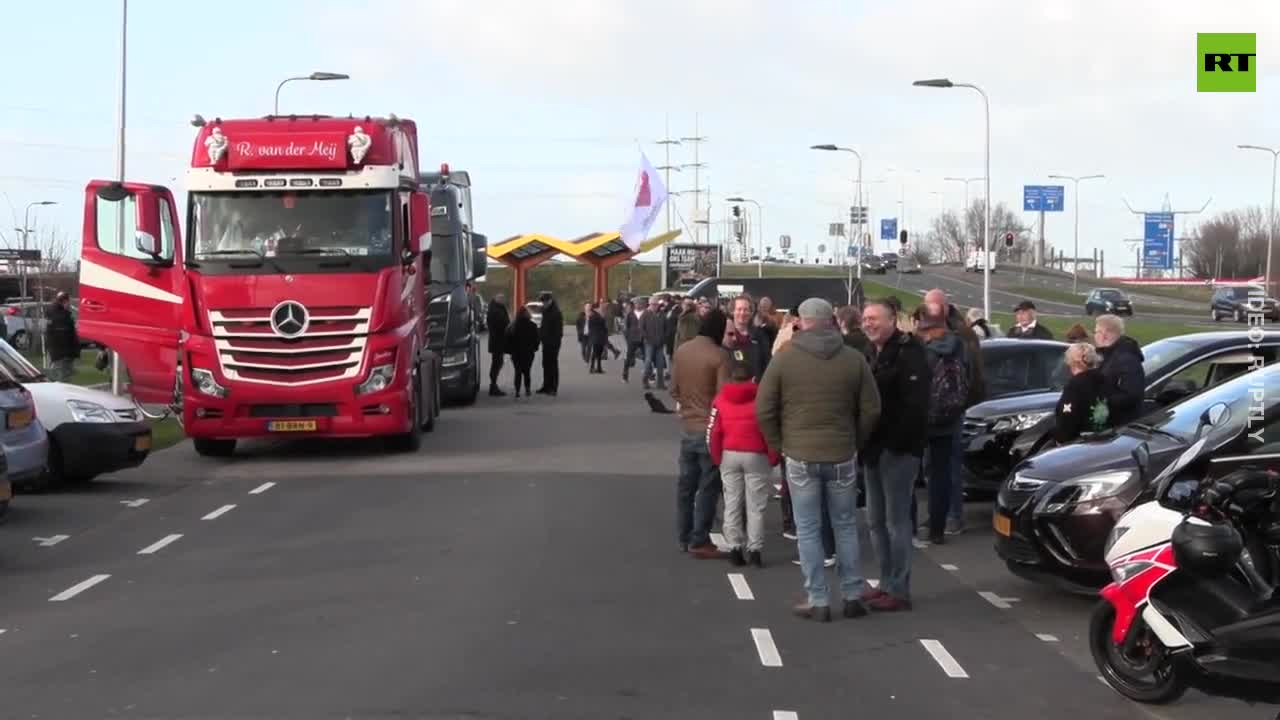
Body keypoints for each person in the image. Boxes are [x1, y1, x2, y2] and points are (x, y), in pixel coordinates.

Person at [756, 298, 882, 622]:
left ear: (801, 322)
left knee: (809, 529)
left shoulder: (785, 360)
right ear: (832, 321)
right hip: (842, 452)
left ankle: (818, 599)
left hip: (800, 453)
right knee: (845, 526)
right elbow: (871, 409)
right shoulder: (853, 360)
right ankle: (852, 593)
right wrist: (856, 440)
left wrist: (779, 444)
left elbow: (764, 409)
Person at [860, 300, 931, 611]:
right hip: (872, 449)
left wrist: (896, 444)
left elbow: (916, 407)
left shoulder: (910, 353)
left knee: (895, 520)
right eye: (865, 318)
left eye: (875, 318)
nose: (869, 323)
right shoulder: (869, 353)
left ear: (893, 321)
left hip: (898, 451)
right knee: (874, 520)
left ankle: (899, 589)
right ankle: (885, 582)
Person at [707, 349, 780, 568]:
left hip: (730, 454)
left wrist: (717, 457)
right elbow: (770, 430)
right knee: (756, 506)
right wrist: (773, 456)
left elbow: (713, 431)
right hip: (756, 455)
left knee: (732, 502)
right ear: (753, 378)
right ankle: (755, 549)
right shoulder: (762, 400)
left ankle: (734, 547)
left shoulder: (720, 400)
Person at [923, 288, 985, 535]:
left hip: (945, 407)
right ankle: (945, 515)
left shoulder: (946, 336)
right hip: (953, 406)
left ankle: (949, 515)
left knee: (944, 465)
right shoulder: (964, 335)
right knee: (942, 466)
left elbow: (973, 371)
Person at [670, 309, 732, 558]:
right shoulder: (719, 356)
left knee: (686, 486)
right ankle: (700, 538)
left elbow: (674, 389)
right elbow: (723, 396)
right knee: (708, 487)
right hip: (710, 429)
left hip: (688, 427)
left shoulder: (682, 351)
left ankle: (683, 536)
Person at [915, 302, 969, 546]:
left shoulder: (924, 351)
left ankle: (918, 524)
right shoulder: (960, 347)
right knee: (944, 473)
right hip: (951, 417)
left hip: (925, 419)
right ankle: (940, 524)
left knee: (920, 472)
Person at [1094, 314, 1146, 426]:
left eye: (1096, 332)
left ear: (1104, 334)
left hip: (1120, 425)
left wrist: (1101, 400)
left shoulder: (1126, 359)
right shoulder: (1108, 355)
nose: (1094, 336)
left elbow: (1131, 394)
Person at [1054, 342, 1109, 444]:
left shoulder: (1075, 386)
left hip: (1079, 443)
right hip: (1103, 439)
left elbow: (1067, 419)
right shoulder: (1104, 380)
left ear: (1071, 362)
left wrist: (1060, 440)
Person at [725, 295, 772, 380]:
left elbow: (767, 362)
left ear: (751, 313)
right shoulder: (725, 335)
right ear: (733, 311)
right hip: (732, 387)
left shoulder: (760, 336)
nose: (742, 313)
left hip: (755, 387)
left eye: (746, 310)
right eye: (739, 309)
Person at [506, 306, 540, 398]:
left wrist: (510, 351)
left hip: (516, 353)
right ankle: (527, 389)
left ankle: (517, 391)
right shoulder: (533, 326)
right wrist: (535, 348)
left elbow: (508, 339)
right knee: (527, 371)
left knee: (517, 372)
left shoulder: (512, 326)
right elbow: (537, 339)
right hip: (528, 352)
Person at [45, 292, 79, 382]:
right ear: (65, 301)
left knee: (60, 373)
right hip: (62, 352)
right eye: (68, 301)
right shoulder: (61, 315)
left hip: (58, 351)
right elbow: (64, 333)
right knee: (63, 375)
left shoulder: (58, 313)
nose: (69, 304)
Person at [536, 291, 564, 396]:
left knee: (552, 365)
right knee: (545, 364)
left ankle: (553, 387)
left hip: (553, 343)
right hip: (546, 342)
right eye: (542, 302)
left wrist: (553, 342)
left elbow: (558, 331)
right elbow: (543, 327)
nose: (543, 303)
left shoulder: (555, 312)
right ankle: (546, 385)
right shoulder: (546, 311)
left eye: (544, 301)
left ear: (550, 301)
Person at [641, 297, 669, 390]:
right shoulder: (645, 314)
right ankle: (645, 380)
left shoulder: (662, 314)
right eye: (653, 304)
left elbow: (666, 327)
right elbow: (641, 328)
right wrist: (647, 337)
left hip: (660, 342)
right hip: (649, 342)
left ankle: (660, 383)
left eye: (656, 304)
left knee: (660, 363)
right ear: (649, 304)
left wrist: (664, 338)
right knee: (648, 361)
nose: (654, 306)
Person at [486, 294, 511, 397]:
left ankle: (493, 385)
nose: (503, 300)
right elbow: (500, 323)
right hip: (497, 341)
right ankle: (493, 386)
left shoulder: (497, 308)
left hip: (498, 340)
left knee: (498, 362)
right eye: (501, 299)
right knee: (497, 363)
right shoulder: (494, 310)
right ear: (497, 299)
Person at [622, 297, 647, 383]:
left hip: (643, 338)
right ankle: (625, 374)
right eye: (637, 304)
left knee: (646, 357)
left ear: (643, 305)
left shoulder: (646, 313)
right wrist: (628, 337)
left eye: (640, 303)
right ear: (634, 305)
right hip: (632, 338)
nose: (638, 305)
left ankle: (648, 375)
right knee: (629, 356)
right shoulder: (630, 314)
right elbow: (626, 327)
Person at [587, 302, 609, 374]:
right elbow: (602, 326)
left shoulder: (596, 315)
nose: (601, 308)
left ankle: (598, 368)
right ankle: (593, 368)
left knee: (598, 353)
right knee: (596, 353)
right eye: (600, 307)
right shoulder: (594, 316)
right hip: (597, 336)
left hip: (598, 336)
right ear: (596, 308)